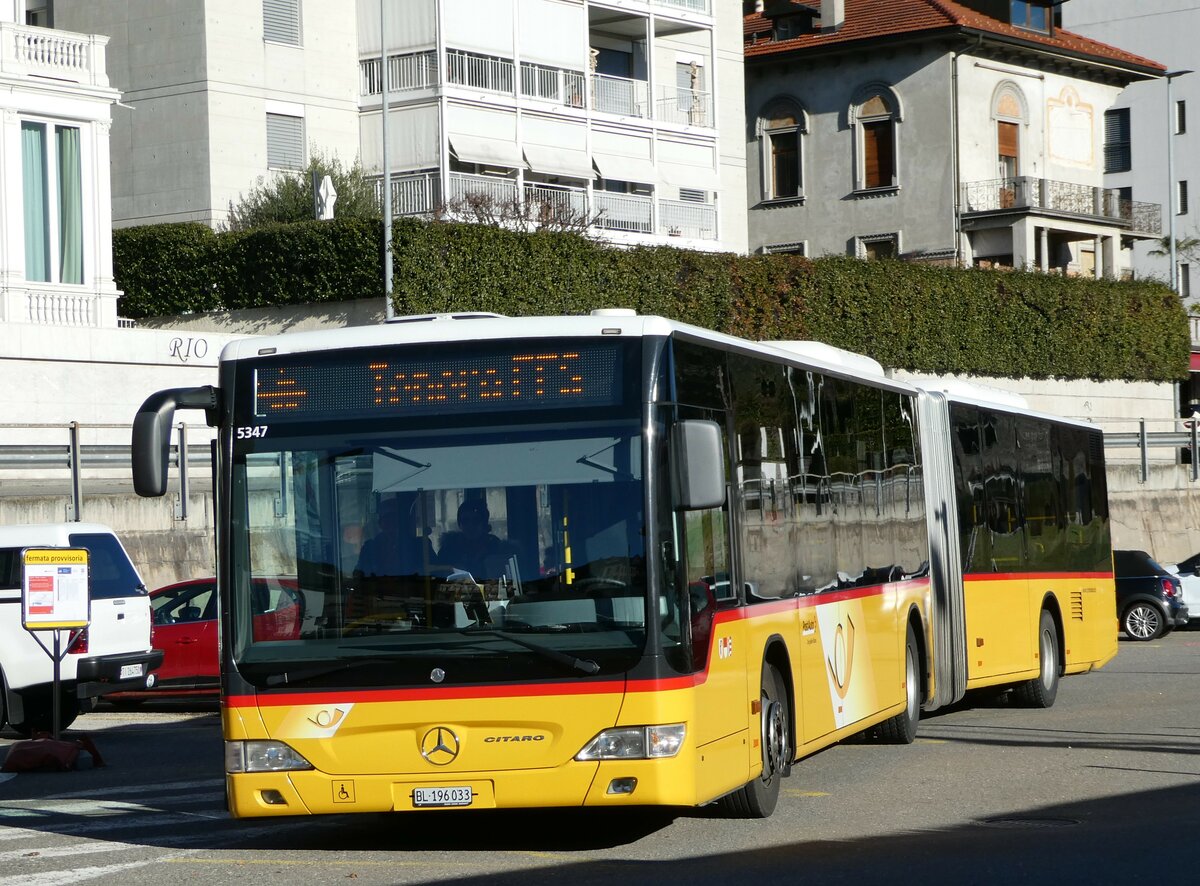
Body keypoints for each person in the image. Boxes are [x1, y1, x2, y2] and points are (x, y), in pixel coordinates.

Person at [436, 499, 517, 581]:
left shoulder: (496, 547)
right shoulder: (449, 549)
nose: (470, 526)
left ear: (484, 523)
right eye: (465, 521)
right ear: (459, 524)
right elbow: (439, 577)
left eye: (476, 520)